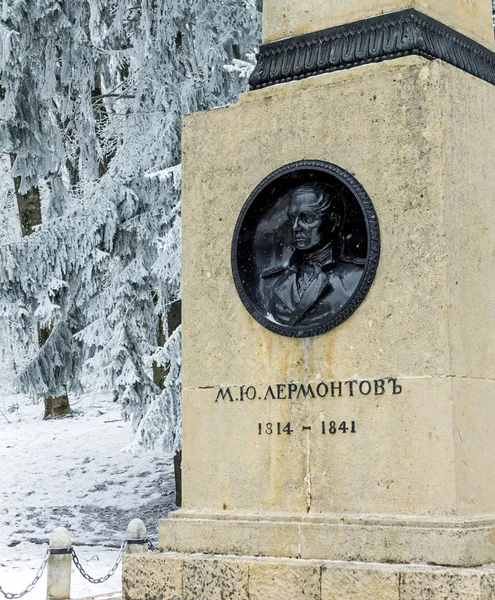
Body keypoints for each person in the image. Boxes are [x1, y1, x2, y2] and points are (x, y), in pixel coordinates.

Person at [260, 182, 364, 328]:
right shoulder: (270, 281)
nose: (296, 227)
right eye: (292, 218)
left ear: (334, 222)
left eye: (307, 218)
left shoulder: (355, 277)